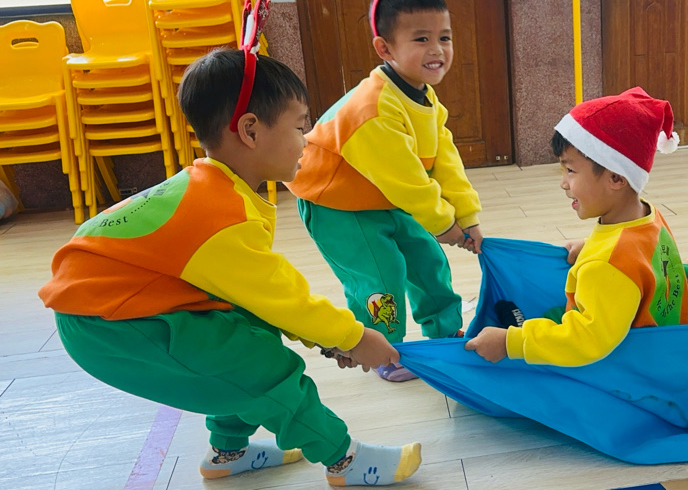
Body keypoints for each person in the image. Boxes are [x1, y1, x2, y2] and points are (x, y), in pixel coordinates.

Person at [38, 44, 421, 487]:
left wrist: (330, 340)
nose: (308, 139)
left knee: (246, 336)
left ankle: (228, 452)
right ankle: (344, 460)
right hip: (108, 322)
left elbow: (263, 304)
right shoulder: (219, 215)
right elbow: (284, 297)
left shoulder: (217, 188)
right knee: (262, 367)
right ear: (250, 131)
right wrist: (353, 337)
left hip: (122, 305)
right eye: (300, 126)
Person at [287, 0, 481, 382]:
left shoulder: (424, 96)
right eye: (421, 39)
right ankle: (385, 350)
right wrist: (444, 224)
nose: (437, 50)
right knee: (380, 278)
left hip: (383, 196)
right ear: (384, 47)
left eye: (445, 37)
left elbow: (444, 160)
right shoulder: (373, 108)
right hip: (337, 204)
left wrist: (466, 216)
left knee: (427, 261)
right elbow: (406, 179)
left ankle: (444, 332)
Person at [466, 88, 688, 366]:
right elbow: (639, 258)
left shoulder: (606, 269)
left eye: (570, 170)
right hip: (663, 326)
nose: (563, 183)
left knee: (558, 325)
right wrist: (592, 248)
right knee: (559, 315)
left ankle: (517, 332)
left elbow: (587, 341)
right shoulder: (647, 216)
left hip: (635, 357)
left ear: (616, 178)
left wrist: (511, 343)